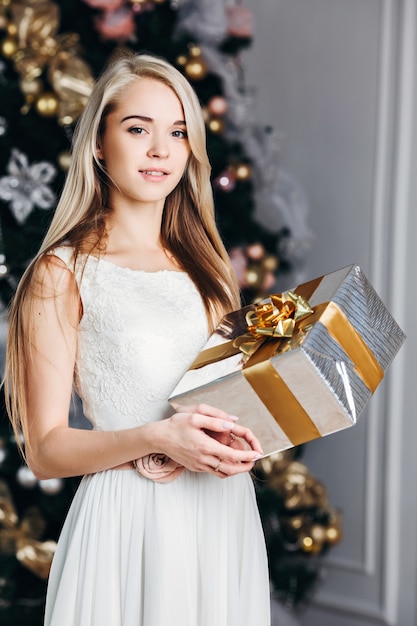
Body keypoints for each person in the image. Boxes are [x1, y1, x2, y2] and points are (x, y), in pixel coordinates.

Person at [5, 51, 271, 626]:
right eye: (137, 129)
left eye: (177, 132)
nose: (160, 150)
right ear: (99, 144)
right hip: (131, 521)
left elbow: (234, 405)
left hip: (222, 519)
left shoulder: (210, 268)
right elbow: (45, 450)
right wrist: (157, 438)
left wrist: (250, 436)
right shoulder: (62, 271)